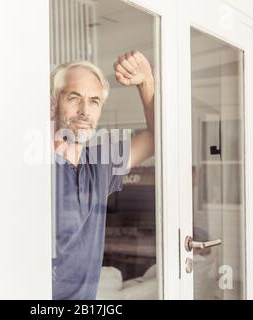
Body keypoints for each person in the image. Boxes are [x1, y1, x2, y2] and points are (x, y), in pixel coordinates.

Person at [51, 50, 155, 300]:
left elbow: (156, 137)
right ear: (53, 103)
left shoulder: (100, 163)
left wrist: (147, 81)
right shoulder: (28, 172)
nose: (85, 111)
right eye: (74, 98)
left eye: (94, 101)